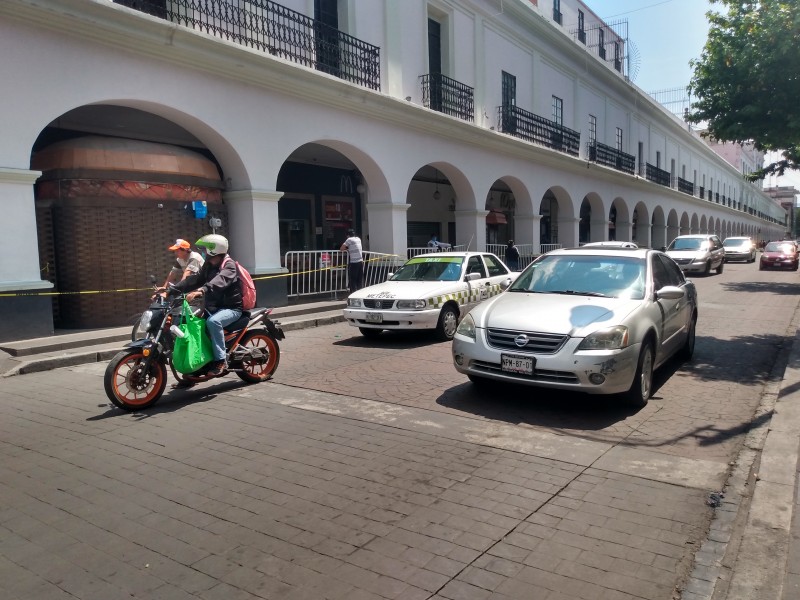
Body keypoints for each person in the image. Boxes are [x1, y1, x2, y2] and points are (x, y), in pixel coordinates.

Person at [173, 234, 242, 377]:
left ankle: (220, 360)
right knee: (192, 323)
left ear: (214, 249)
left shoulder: (229, 265)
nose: (203, 251)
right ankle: (199, 362)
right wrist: (172, 290)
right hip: (213, 307)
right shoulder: (209, 264)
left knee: (213, 322)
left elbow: (220, 281)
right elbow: (196, 279)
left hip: (232, 308)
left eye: (205, 249)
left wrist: (202, 290)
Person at [340, 229, 364, 293]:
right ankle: (360, 292)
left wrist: (347, 248)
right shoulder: (358, 239)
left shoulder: (349, 240)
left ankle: (353, 293)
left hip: (354, 262)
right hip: (361, 261)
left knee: (353, 279)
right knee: (359, 279)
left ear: (348, 235)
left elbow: (341, 248)